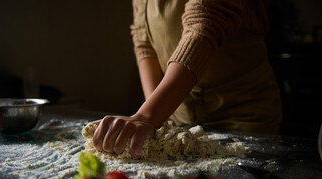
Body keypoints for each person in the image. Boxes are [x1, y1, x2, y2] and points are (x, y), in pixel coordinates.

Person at [92, 0, 282, 158]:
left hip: (243, 113)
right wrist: (159, 117)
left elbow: (205, 24)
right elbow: (144, 43)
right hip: (181, 117)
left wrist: (146, 116)